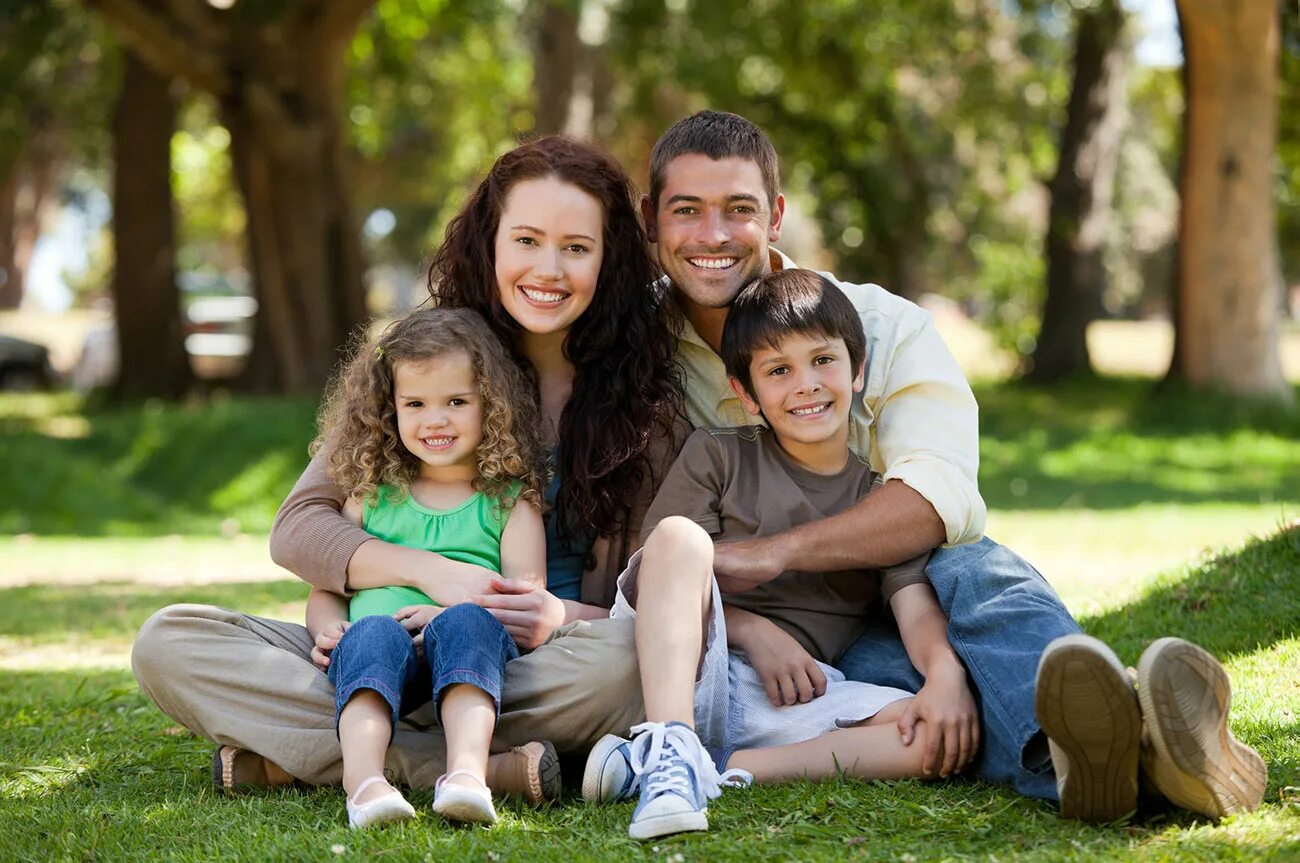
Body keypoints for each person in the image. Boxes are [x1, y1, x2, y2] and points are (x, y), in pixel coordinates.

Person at [634, 109, 1266, 822]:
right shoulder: (637, 347)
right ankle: (1148, 753)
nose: (714, 236)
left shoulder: (881, 326)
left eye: (738, 209)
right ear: (652, 218)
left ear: (775, 215)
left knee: (976, 572)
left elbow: (931, 505)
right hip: (819, 639)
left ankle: (1111, 753)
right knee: (935, 701)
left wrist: (771, 554)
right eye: (689, 211)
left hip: (912, 581)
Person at [130, 136, 685, 797]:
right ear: (492, 243)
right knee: (169, 641)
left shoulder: (645, 399)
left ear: (608, 258)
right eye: (527, 240)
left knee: (630, 664)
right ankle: (480, 766)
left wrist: (555, 615)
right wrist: (436, 574)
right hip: (376, 649)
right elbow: (300, 527)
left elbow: (654, 604)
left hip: (526, 668)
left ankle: (326, 757)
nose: (548, 268)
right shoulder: (425, 359)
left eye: (576, 247)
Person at [583, 270, 977, 839]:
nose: (806, 385)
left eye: (823, 360)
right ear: (745, 393)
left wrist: (944, 674)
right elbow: (656, 577)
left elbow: (914, 607)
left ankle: (718, 772)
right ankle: (670, 746)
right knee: (677, 538)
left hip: (793, 696)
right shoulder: (717, 457)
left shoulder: (875, 502)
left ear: (857, 368)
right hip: (690, 665)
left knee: (925, 733)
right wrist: (751, 631)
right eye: (778, 371)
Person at [306, 308, 552, 827]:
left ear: (492, 406)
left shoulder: (510, 503)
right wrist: (327, 631)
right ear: (388, 410)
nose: (434, 420)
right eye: (414, 403)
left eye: (456, 402)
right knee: (371, 636)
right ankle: (365, 784)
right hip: (373, 650)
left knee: (467, 625)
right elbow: (327, 588)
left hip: (468, 656)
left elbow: (523, 601)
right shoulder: (371, 496)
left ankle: (466, 774)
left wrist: (445, 610)